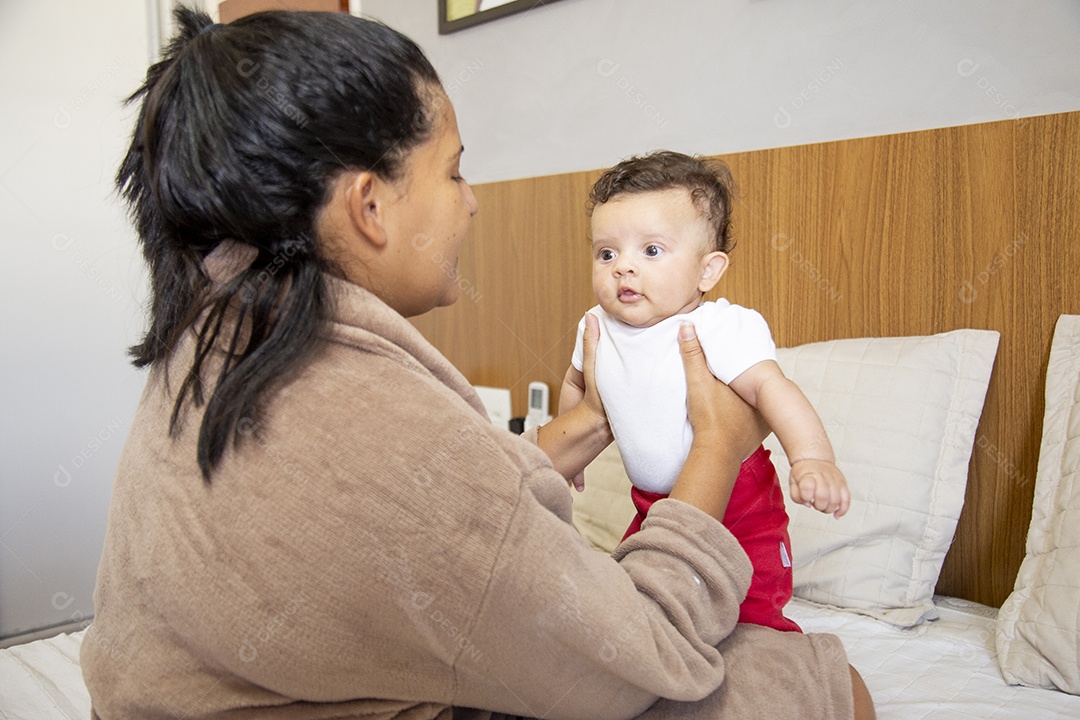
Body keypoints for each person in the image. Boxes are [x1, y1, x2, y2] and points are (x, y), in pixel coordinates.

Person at [79, 6, 873, 720]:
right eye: (454, 169)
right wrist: (717, 446)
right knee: (831, 686)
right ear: (370, 207)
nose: (472, 200)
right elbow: (641, 658)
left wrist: (594, 418)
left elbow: (456, 511)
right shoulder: (379, 422)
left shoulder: (214, 337)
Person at [559, 151, 850, 633]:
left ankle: (772, 654)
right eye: (607, 253)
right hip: (654, 507)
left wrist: (813, 457)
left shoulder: (717, 325)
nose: (622, 268)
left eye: (651, 251)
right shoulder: (596, 327)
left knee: (751, 613)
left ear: (707, 271)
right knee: (639, 602)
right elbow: (576, 385)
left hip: (742, 506)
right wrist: (572, 456)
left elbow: (772, 388)